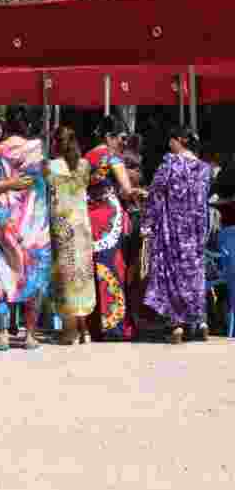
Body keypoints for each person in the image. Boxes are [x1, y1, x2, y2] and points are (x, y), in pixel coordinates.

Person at [0, 106, 50, 351]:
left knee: (2, 272)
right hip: (34, 220)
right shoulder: (37, 149)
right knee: (34, 272)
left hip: (3, 217)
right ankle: (30, 335)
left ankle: (1, 336)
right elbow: (44, 181)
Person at [142, 126, 213, 344]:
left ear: (179, 141)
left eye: (171, 140)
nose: (169, 144)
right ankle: (200, 322)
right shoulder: (204, 168)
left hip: (172, 228)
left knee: (173, 273)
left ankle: (177, 325)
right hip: (196, 228)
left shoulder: (171, 162)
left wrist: (148, 223)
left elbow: (156, 192)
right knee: (194, 273)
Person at [85, 116, 142, 341]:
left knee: (93, 269)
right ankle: (113, 327)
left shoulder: (86, 158)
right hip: (110, 219)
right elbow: (127, 190)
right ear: (109, 137)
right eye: (121, 138)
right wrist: (139, 193)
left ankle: (92, 326)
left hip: (89, 218)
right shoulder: (112, 158)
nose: (122, 143)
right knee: (112, 268)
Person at [45, 126, 95, 345]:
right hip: (83, 226)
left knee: (65, 276)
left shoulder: (50, 166)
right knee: (82, 276)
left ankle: (70, 331)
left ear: (55, 143)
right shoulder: (84, 165)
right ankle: (85, 331)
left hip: (62, 225)